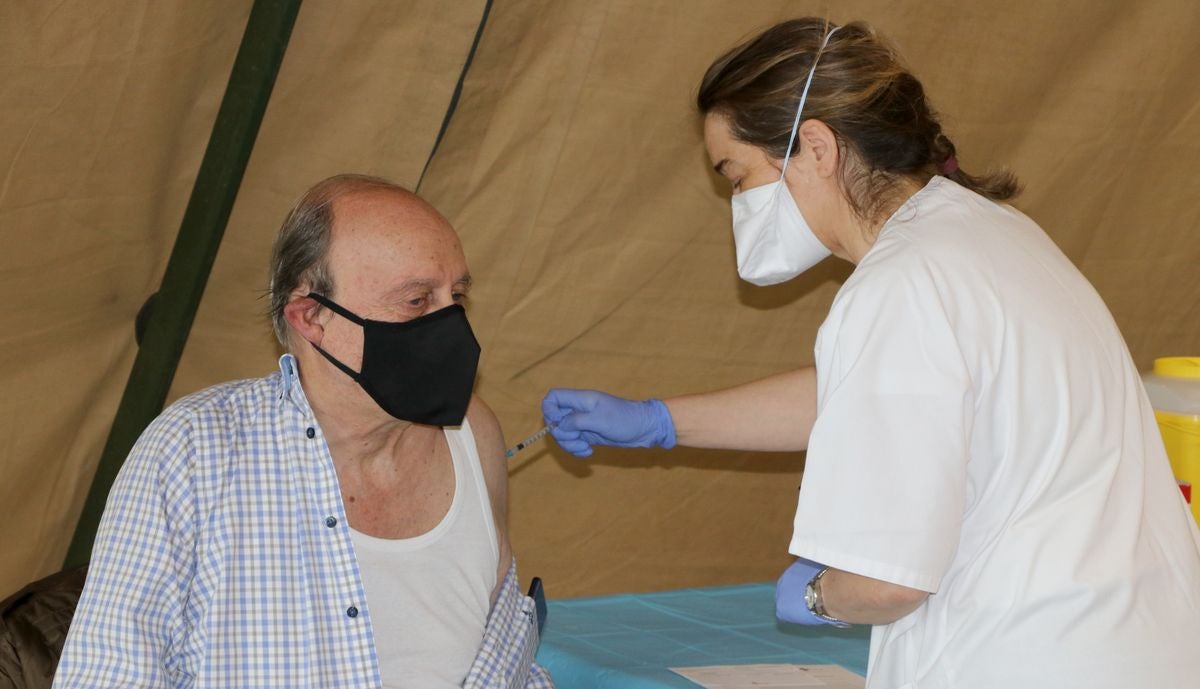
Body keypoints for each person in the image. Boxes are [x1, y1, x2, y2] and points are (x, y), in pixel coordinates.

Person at [541, 18, 1200, 689]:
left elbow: (887, 581)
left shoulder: (902, 282)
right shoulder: (992, 235)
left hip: (1027, 655)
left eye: (737, 176)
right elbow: (866, 391)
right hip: (1147, 644)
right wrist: (661, 421)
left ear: (817, 147)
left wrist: (817, 593)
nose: (739, 203)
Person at [54, 175, 552, 689]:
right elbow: (107, 677)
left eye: (458, 295)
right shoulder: (194, 451)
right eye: (416, 301)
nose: (451, 324)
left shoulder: (472, 432)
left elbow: (502, 648)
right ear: (312, 318)